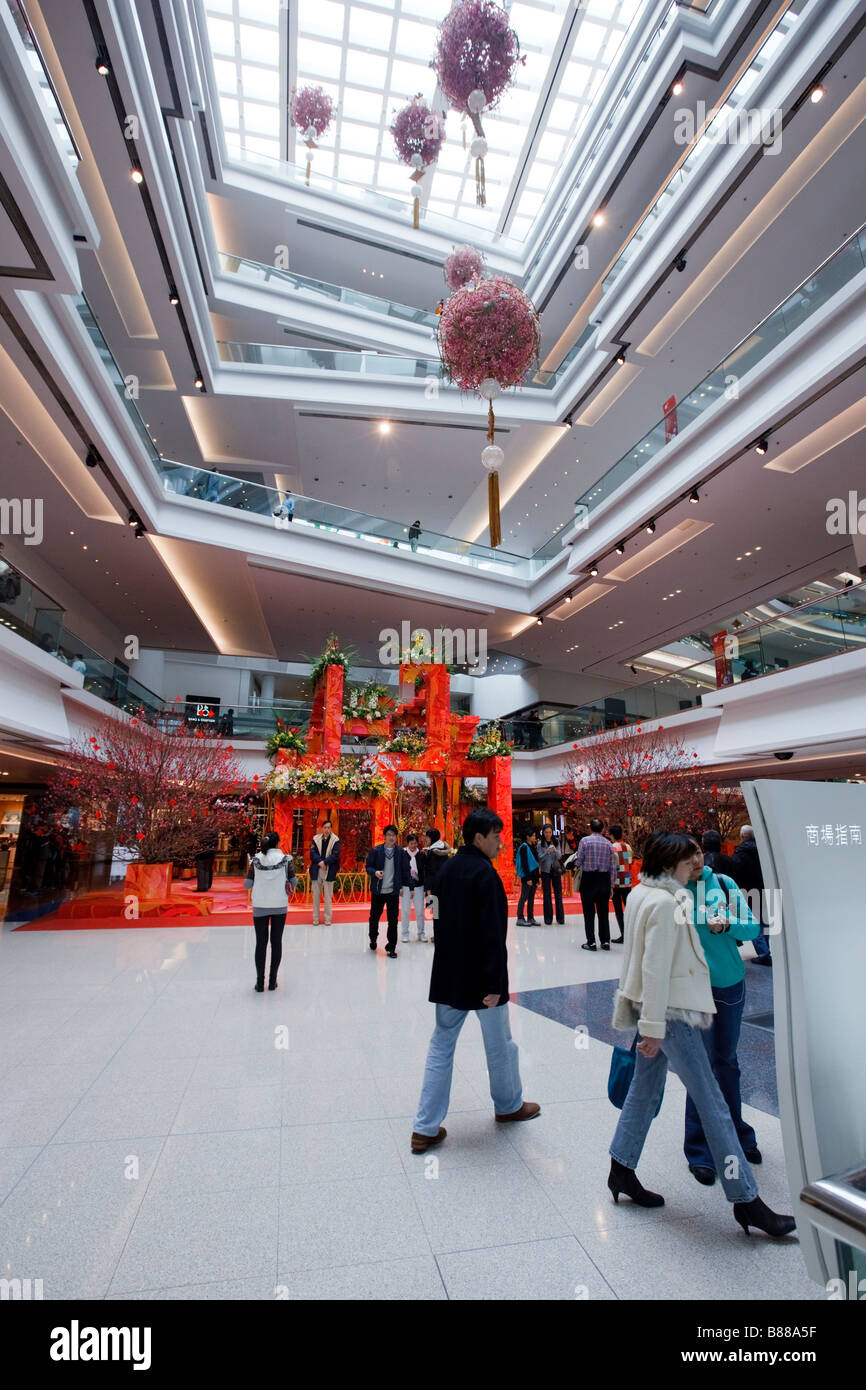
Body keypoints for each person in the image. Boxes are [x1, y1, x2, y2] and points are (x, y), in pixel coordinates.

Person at [606, 831, 795, 1238]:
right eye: (688, 857)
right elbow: (655, 971)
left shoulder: (641, 893)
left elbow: (636, 963)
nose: (697, 862)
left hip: (655, 1010)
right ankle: (746, 1200)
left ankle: (620, 1169)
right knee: (712, 1101)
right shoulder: (663, 902)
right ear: (672, 862)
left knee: (644, 1090)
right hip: (673, 1014)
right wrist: (655, 1028)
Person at [410, 808, 540, 1153]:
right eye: (496, 836)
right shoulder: (486, 876)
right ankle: (509, 1105)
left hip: (450, 978)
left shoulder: (447, 870)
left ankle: (424, 1127)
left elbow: (437, 919)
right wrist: (496, 983)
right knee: (500, 1045)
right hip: (484, 981)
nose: (501, 842)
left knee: (441, 1046)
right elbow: (493, 935)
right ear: (479, 837)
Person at [681, 838, 764, 1185]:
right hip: (693, 988)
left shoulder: (725, 884)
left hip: (729, 985)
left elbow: (753, 928)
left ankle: (736, 1135)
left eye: (698, 852)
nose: (696, 860)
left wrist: (727, 923)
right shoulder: (673, 893)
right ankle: (699, 1148)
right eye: (687, 857)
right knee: (700, 1067)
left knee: (726, 1062)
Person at [245, 831, 297, 991]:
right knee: (276, 942)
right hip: (279, 905)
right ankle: (273, 981)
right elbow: (294, 881)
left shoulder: (255, 860)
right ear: (278, 843)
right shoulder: (285, 860)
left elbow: (247, 884)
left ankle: (260, 982)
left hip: (260, 905)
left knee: (261, 943)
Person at [731, 825, 772, 964]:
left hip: (749, 892)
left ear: (742, 836)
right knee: (765, 923)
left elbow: (735, 874)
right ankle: (766, 950)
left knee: (754, 923)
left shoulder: (739, 853)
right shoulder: (764, 850)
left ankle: (763, 953)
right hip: (765, 890)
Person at [576, 818, 617, 951]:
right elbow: (612, 867)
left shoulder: (585, 841)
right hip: (604, 879)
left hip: (588, 879)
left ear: (590, 828)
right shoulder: (608, 844)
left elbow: (579, 860)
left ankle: (591, 942)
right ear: (603, 829)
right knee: (603, 912)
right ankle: (605, 941)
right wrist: (611, 885)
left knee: (589, 913)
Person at [366, 824, 406, 957]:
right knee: (374, 918)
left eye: (393, 835)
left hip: (392, 892)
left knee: (393, 920)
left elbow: (405, 870)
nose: (391, 837)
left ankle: (391, 947)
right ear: (384, 837)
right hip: (378, 891)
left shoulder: (400, 852)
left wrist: (409, 887)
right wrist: (375, 872)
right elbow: (368, 867)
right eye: (388, 835)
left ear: (396, 837)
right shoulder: (376, 851)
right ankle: (373, 938)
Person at [422, 827, 452, 944]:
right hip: (444, 886)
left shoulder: (434, 852)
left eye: (427, 837)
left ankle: (438, 936)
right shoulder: (442, 849)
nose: (426, 839)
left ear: (432, 838)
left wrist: (428, 888)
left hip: (435, 887)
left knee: (436, 913)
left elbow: (430, 871)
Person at [310, 818, 340, 925]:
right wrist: (320, 862)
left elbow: (335, 855)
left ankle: (328, 919)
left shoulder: (335, 840)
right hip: (317, 870)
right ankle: (316, 919)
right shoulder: (316, 839)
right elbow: (312, 853)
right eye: (325, 827)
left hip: (329, 871)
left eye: (328, 828)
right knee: (316, 897)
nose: (327, 830)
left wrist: (325, 862)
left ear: (331, 829)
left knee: (328, 896)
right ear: (322, 829)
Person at [608, 824, 633, 944]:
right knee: (629, 909)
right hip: (627, 881)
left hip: (617, 882)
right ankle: (631, 933)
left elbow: (611, 865)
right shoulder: (627, 846)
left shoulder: (611, 848)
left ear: (612, 835)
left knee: (618, 910)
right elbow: (630, 861)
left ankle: (623, 934)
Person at [401, 831, 426, 943]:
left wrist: (425, 887)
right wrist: (400, 887)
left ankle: (421, 933)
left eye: (415, 843)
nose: (413, 845)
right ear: (407, 843)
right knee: (405, 911)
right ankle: (405, 934)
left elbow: (424, 871)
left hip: (419, 887)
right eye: (411, 843)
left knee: (420, 911)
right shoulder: (403, 854)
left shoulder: (421, 855)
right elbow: (400, 871)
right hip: (405, 887)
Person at [538, 823, 565, 925]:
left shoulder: (556, 841)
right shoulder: (540, 843)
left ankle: (560, 918)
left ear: (552, 832)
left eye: (550, 832)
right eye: (546, 832)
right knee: (547, 895)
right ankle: (548, 919)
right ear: (543, 833)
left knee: (558, 894)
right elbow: (540, 859)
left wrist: (555, 851)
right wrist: (547, 852)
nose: (548, 834)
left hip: (556, 870)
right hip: (545, 871)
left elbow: (559, 856)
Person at [514, 827, 540, 926]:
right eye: (532, 835)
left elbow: (535, 862)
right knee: (524, 897)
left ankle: (530, 917)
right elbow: (525, 864)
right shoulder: (524, 847)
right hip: (527, 876)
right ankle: (520, 918)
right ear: (527, 837)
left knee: (531, 897)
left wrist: (537, 877)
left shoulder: (533, 846)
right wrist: (528, 878)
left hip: (533, 875)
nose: (534, 837)